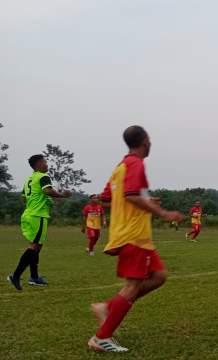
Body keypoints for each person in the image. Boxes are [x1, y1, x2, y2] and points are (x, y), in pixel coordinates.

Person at [87, 125, 184, 352]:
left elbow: (107, 199)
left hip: (137, 235)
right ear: (144, 142)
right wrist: (163, 213)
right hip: (134, 235)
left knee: (159, 276)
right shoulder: (136, 164)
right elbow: (131, 196)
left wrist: (148, 203)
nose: (150, 144)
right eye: (149, 140)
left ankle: (108, 307)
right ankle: (101, 337)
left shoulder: (120, 167)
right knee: (132, 286)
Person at [6, 155, 72, 290]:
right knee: (34, 246)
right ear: (38, 164)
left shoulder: (29, 179)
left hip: (28, 214)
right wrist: (63, 195)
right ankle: (16, 276)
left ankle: (34, 277)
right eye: (44, 162)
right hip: (38, 216)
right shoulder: (43, 176)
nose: (47, 165)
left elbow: (24, 198)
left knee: (38, 246)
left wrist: (42, 201)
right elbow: (48, 191)